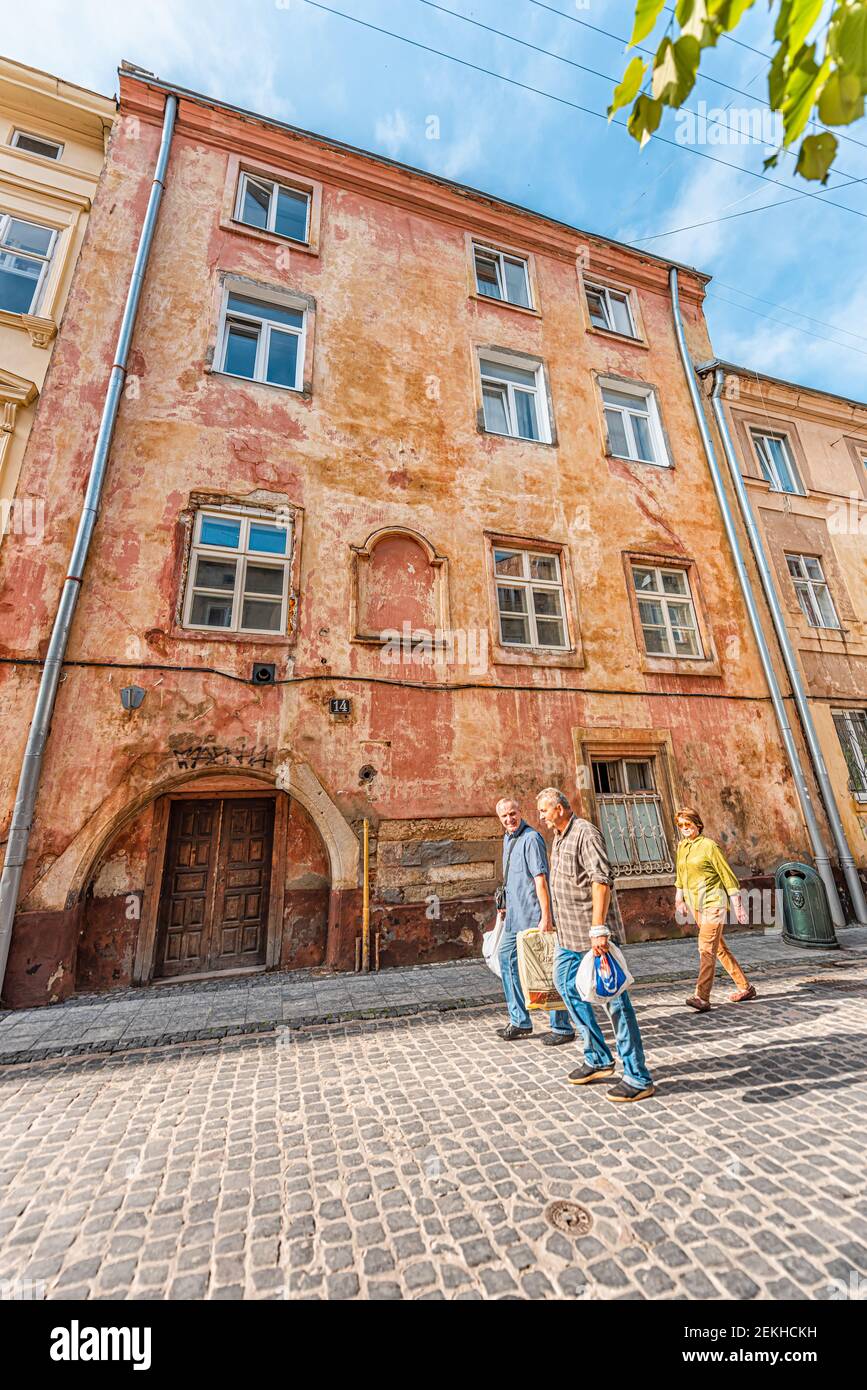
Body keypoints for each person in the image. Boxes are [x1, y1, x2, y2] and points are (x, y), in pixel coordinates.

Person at [537, 786, 655, 1102]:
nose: (542, 818)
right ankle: (599, 1057)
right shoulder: (559, 837)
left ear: (559, 808)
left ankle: (638, 1076)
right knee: (565, 985)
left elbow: (600, 880)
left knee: (614, 1000)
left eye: (544, 811)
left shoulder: (585, 833)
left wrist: (599, 928)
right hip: (568, 935)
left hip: (591, 935)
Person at [491, 798, 576, 1045]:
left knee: (546, 969)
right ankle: (520, 1021)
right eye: (504, 816)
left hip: (533, 916)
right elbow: (513, 878)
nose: (509, 819)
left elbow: (541, 880)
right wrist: (505, 905)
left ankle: (562, 1026)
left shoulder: (531, 838)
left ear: (520, 812)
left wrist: (546, 917)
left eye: (512, 813)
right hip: (513, 917)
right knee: (506, 960)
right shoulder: (508, 839)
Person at [674, 806, 756, 1013]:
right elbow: (680, 877)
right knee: (718, 948)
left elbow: (727, 876)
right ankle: (745, 987)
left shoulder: (709, 846)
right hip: (696, 904)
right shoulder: (682, 847)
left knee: (705, 947)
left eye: (688, 824)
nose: (684, 828)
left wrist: (738, 907)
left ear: (697, 825)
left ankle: (702, 996)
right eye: (681, 825)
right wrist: (679, 900)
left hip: (713, 902)